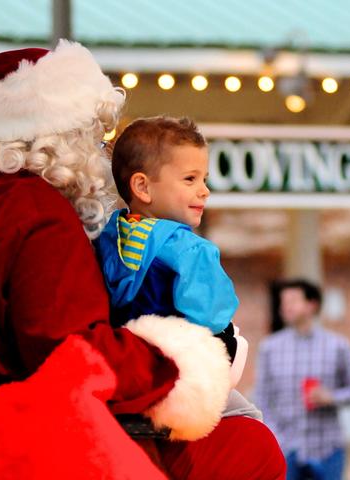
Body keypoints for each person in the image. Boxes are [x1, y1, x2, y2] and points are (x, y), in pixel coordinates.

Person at [0, 40, 285, 478]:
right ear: (58, 132)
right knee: (250, 443)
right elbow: (71, 354)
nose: (97, 149)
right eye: (89, 132)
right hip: (26, 447)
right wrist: (177, 360)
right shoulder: (35, 212)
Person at [94, 116, 256, 415]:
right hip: (178, 375)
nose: (204, 190)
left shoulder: (108, 238)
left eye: (204, 179)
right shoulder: (190, 250)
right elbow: (213, 314)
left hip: (127, 368)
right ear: (142, 187)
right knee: (249, 415)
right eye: (190, 179)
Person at [254, 278, 350, 480]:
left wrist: (332, 397)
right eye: (283, 301)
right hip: (285, 449)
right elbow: (261, 398)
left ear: (312, 305)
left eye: (293, 300)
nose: (286, 306)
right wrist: (275, 436)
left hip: (328, 449)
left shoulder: (338, 345)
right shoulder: (269, 348)